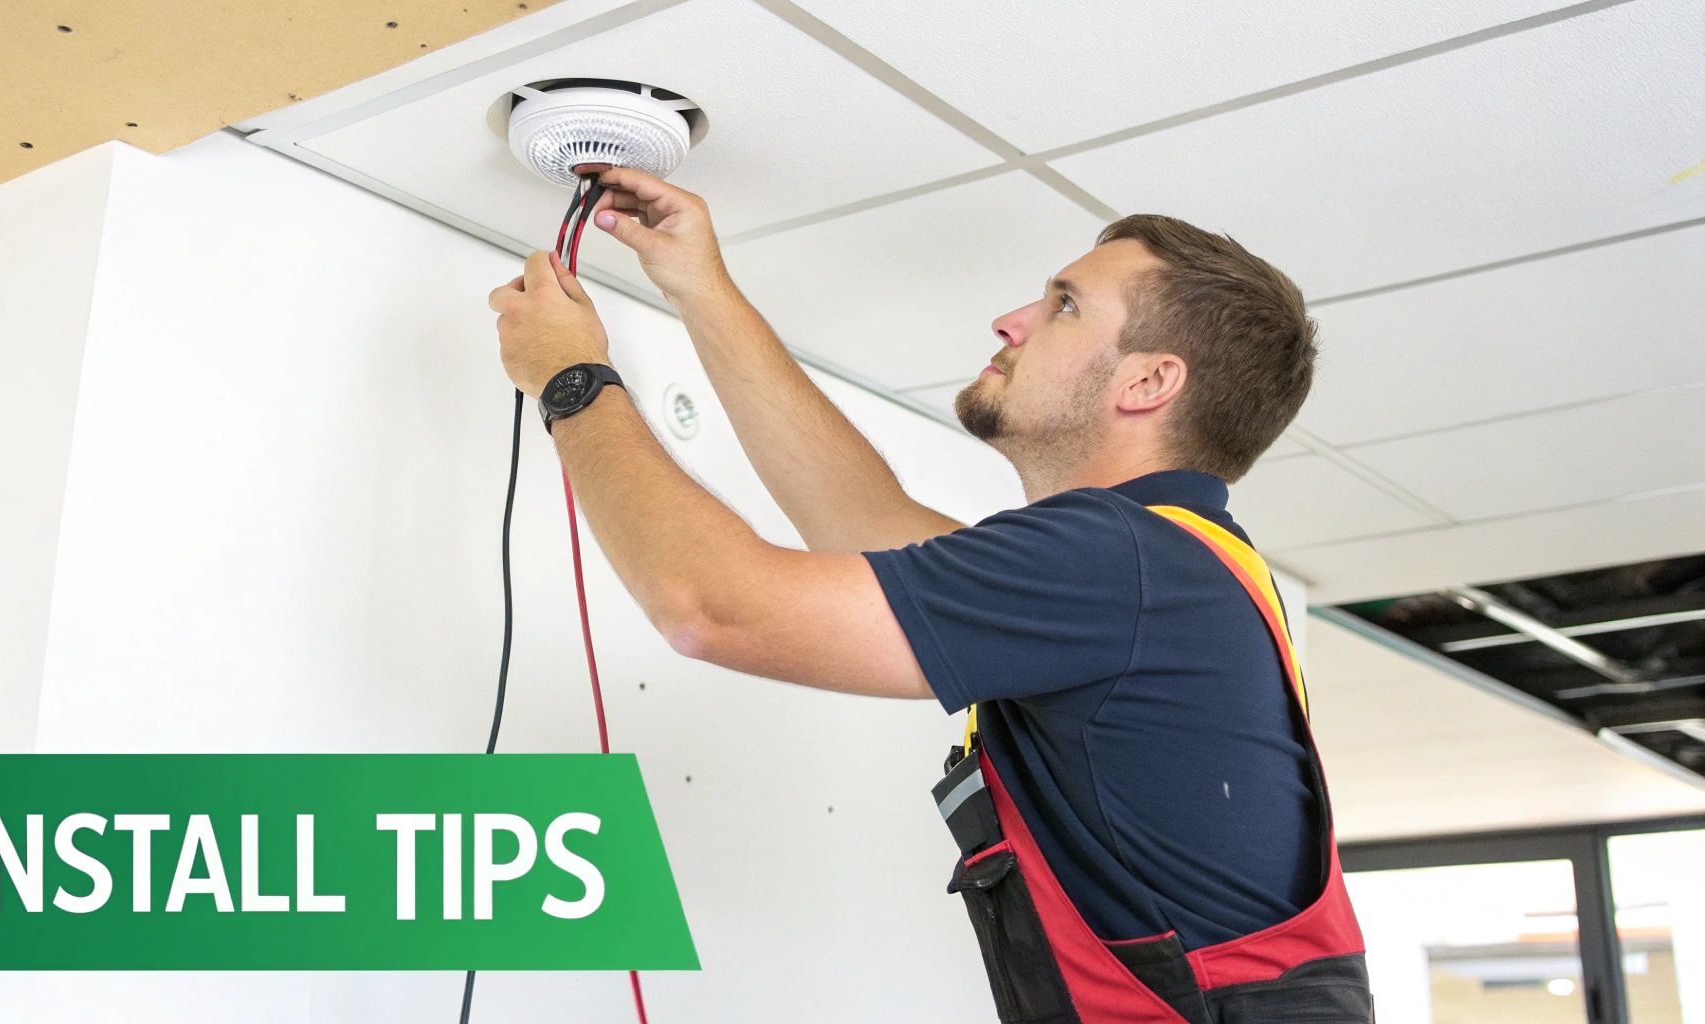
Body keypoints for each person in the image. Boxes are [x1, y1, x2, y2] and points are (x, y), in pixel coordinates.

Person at [488, 167, 1375, 1023]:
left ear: (1148, 382)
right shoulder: (1170, 565)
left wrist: (572, 383)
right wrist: (699, 285)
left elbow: (712, 607)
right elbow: (862, 520)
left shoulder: (1121, 561)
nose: (1012, 320)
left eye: (1063, 305)